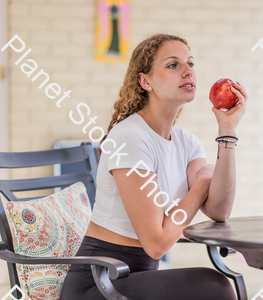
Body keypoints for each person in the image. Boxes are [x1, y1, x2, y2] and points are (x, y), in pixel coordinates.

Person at [61, 33, 247, 300]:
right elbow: (157, 244)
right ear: (145, 81)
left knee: (212, 286)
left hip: (137, 280)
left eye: (190, 64)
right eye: (173, 65)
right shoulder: (129, 137)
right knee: (214, 286)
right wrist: (203, 185)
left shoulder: (186, 142)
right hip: (97, 285)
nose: (188, 72)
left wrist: (227, 131)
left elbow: (219, 210)